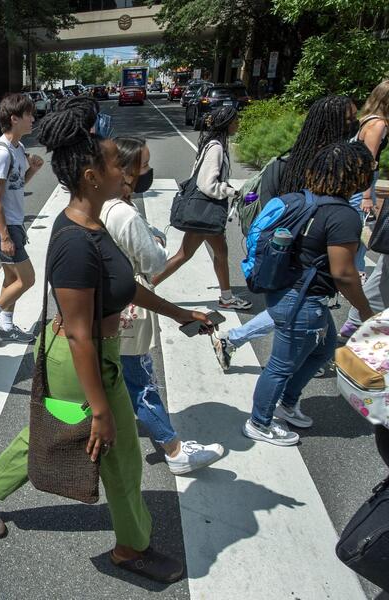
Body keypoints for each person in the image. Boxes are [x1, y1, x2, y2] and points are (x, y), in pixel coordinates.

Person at [0, 97, 215, 583]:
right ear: (93, 176)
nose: (127, 171)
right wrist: (100, 410)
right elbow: (76, 331)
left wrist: (180, 314)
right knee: (115, 455)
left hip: (95, 354)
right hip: (82, 359)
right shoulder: (75, 239)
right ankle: (131, 549)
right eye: (118, 163)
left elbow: (122, 287)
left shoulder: (95, 224)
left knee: (55, 434)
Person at [102, 136, 223, 474]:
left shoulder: (99, 204)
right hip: (127, 313)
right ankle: (174, 450)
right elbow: (154, 263)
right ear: (126, 172)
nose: (150, 171)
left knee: (116, 378)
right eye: (144, 165)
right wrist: (155, 240)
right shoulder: (124, 215)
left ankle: (93, 423)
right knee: (141, 382)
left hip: (106, 310)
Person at [213, 96, 359, 370]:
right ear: (333, 125)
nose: (356, 126)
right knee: (292, 313)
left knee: (297, 310)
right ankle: (238, 344)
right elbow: (277, 214)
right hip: (295, 257)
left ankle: (240, 342)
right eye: (350, 120)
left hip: (301, 257)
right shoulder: (306, 164)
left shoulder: (305, 159)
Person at [245, 142, 375, 446]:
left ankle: (287, 404)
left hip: (284, 292)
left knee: (323, 349)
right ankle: (259, 423)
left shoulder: (299, 199)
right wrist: (366, 312)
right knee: (281, 365)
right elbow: (343, 274)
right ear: (353, 177)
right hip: (301, 302)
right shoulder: (343, 216)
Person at [152, 106, 252, 310]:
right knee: (209, 253)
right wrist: (232, 192)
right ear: (226, 124)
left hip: (201, 211)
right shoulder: (216, 147)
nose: (238, 124)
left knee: (191, 254)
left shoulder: (211, 145)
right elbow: (207, 184)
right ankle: (226, 298)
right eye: (235, 121)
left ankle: (144, 287)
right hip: (206, 212)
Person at [0, 93, 43, 345]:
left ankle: (6, 326)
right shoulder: (0, 153)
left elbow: (15, 186)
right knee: (28, 279)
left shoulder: (18, 148)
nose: (33, 119)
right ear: (14, 119)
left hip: (13, 222)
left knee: (12, 278)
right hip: (2, 225)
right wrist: (4, 236)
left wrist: (32, 170)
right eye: (28, 115)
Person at [340, 81, 389, 337]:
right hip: (362, 186)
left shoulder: (367, 119)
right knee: (357, 237)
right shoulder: (379, 124)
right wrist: (368, 195)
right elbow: (368, 160)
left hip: (355, 184)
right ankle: (352, 282)